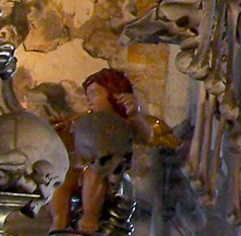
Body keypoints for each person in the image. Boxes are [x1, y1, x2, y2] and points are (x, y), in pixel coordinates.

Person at [51, 69, 176, 232]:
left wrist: (134, 115)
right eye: (88, 97)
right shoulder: (86, 122)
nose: (90, 102)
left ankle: (90, 218)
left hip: (112, 172)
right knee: (62, 179)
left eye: (95, 94)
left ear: (115, 94)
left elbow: (146, 137)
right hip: (84, 169)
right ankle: (59, 223)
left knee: (94, 172)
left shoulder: (124, 122)